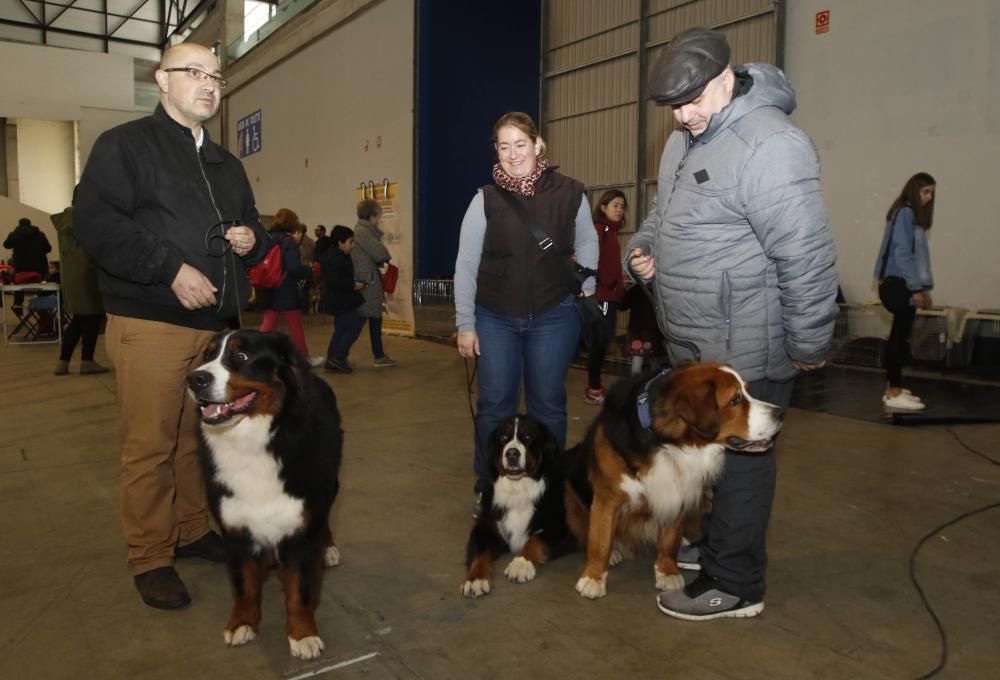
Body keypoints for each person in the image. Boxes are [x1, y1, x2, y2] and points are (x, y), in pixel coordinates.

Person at [626, 28, 838, 620]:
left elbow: (807, 254)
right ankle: (718, 544)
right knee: (714, 457)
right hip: (697, 340)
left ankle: (737, 582)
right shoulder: (685, 138)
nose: (683, 115)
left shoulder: (770, 144)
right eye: (674, 106)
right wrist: (643, 250)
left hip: (752, 339)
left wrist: (810, 343)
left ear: (726, 77)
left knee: (745, 461)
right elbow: (660, 215)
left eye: (693, 100)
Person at [74, 42, 269, 610]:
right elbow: (96, 220)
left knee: (193, 440)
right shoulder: (126, 146)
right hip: (150, 320)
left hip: (212, 329)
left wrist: (251, 238)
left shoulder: (226, 164)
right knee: (149, 446)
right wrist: (168, 268)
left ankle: (190, 529)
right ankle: (151, 555)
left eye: (216, 76)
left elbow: (253, 222)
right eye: (194, 72)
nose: (209, 83)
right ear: (162, 79)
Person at [454, 111, 598, 512]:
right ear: (496, 151)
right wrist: (466, 323)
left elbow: (588, 241)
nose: (513, 154)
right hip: (495, 317)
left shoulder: (571, 192)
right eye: (504, 146)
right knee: (495, 404)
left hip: (555, 316)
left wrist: (585, 288)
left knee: (548, 403)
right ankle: (490, 483)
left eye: (521, 144)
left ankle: (548, 487)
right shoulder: (484, 199)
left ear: (538, 146)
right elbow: (466, 264)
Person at [873, 172, 936, 411]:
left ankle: (894, 387)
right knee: (899, 338)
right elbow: (902, 252)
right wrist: (917, 288)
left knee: (900, 336)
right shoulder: (906, 213)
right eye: (925, 191)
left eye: (931, 193)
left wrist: (921, 287)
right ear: (913, 190)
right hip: (899, 283)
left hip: (902, 282)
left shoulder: (905, 213)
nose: (929, 197)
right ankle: (894, 391)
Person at [51, 200, 110, 375]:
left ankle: (63, 362)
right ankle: (86, 361)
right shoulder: (87, 218)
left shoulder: (64, 221)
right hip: (89, 277)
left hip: (71, 279)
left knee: (78, 320)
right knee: (91, 319)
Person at [258, 208, 322, 365]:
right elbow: (294, 268)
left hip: (269, 287)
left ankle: (253, 353)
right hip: (286, 290)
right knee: (296, 327)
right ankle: (304, 358)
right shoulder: (288, 242)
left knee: (266, 327)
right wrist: (309, 270)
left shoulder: (267, 240)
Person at [581, 190, 628, 405]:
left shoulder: (611, 231)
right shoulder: (600, 230)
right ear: (603, 207)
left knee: (601, 341)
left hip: (610, 295)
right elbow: (587, 260)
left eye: (622, 206)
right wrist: (602, 284)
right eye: (615, 205)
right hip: (601, 297)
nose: (619, 210)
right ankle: (593, 388)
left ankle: (594, 385)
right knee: (600, 341)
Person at [352, 199, 396, 367]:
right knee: (361, 321)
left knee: (370, 318)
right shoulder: (363, 232)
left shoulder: (364, 231)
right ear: (372, 216)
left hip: (368, 279)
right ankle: (338, 355)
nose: (380, 219)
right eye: (379, 216)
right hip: (367, 281)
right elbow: (381, 254)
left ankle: (378, 354)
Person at [318, 225, 367, 373]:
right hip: (341, 299)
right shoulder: (336, 257)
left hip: (338, 299)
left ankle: (332, 358)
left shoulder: (335, 254)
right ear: (340, 242)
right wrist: (354, 285)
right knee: (355, 324)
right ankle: (338, 357)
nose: (352, 245)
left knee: (340, 329)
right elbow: (335, 279)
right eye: (350, 242)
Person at [3, 217, 52, 314]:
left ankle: (18, 305)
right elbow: (48, 248)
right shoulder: (40, 234)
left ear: (19, 224)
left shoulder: (14, 234)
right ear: (30, 224)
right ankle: (43, 307)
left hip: (20, 268)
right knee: (40, 285)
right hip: (39, 268)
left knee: (19, 285)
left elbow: (6, 245)